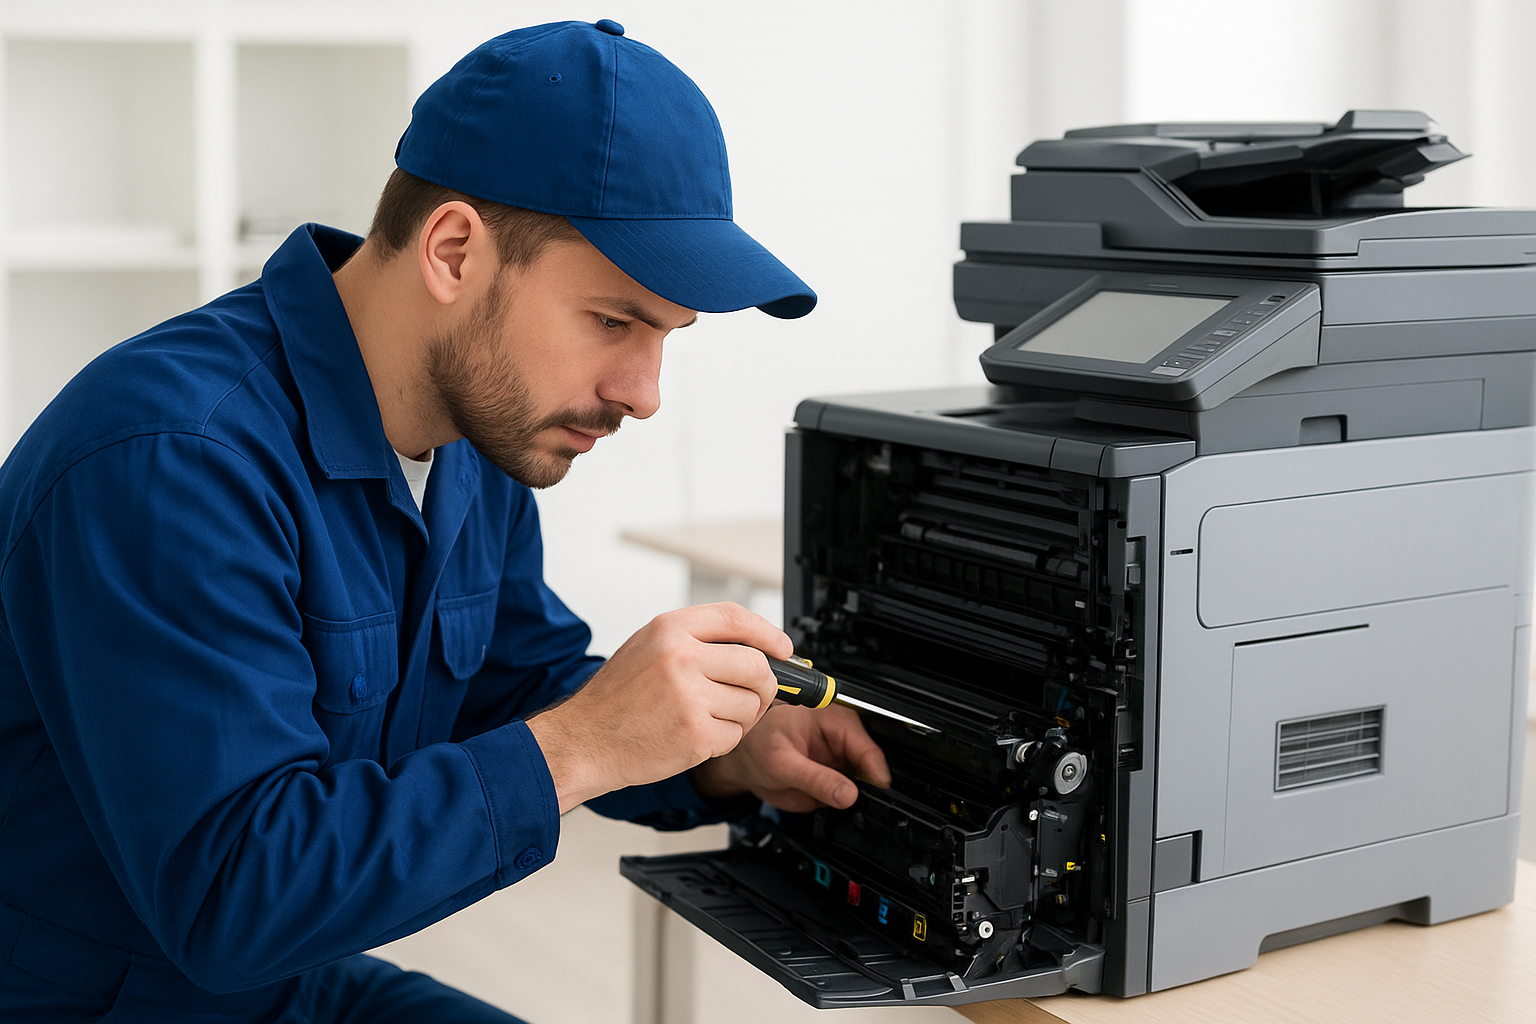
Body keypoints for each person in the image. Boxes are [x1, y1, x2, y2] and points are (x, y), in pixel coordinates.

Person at [0, 20, 889, 1023]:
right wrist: (585, 744)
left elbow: (510, 681)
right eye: (612, 320)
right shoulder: (173, 459)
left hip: (277, 985)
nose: (643, 393)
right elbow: (233, 896)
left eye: (667, 336)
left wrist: (721, 749)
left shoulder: (475, 437)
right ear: (454, 250)